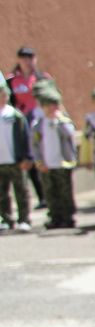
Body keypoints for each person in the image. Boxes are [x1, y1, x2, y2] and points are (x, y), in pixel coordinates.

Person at [29, 87, 78, 229]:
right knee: (50, 192)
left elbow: (69, 135)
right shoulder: (38, 124)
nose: (51, 109)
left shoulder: (63, 121)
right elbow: (35, 145)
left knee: (65, 191)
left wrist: (60, 120)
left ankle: (68, 216)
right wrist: (38, 161)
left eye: (54, 105)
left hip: (62, 163)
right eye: (48, 106)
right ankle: (55, 216)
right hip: (47, 163)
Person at [0, 82, 31, 231]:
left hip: (16, 160)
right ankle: (6, 219)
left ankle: (24, 219)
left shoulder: (15, 115)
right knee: (2, 193)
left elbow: (25, 137)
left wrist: (27, 157)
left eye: (3, 94)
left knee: (21, 190)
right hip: (1, 161)